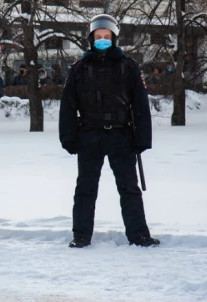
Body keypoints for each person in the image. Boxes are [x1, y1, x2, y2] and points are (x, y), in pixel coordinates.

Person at [59, 14, 160, 249]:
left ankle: (139, 235)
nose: (102, 40)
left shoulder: (128, 67)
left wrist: (142, 139)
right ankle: (81, 235)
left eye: (107, 36)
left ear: (114, 38)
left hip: (120, 135)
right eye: (98, 36)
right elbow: (68, 105)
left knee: (129, 188)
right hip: (89, 135)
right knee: (85, 188)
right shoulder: (80, 69)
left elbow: (141, 105)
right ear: (91, 39)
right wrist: (68, 136)